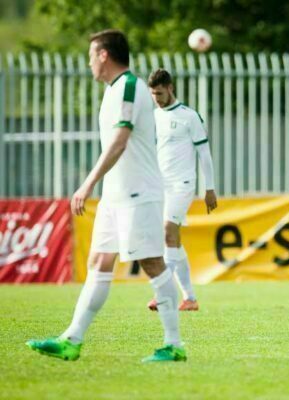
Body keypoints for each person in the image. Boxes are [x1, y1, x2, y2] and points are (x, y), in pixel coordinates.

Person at [26, 30, 186, 362]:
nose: (89, 64)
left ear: (104, 55)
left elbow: (120, 141)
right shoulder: (112, 90)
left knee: (153, 263)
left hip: (138, 192)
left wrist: (87, 183)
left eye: (91, 56)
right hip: (115, 195)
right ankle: (72, 339)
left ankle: (174, 345)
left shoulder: (129, 86)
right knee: (98, 262)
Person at [146, 68, 217, 312]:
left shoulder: (189, 116)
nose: (156, 98)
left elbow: (204, 154)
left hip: (182, 184)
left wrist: (209, 188)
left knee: (168, 231)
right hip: (160, 186)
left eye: (159, 93)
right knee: (173, 241)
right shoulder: (153, 116)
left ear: (170, 88)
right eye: (153, 94)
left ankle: (162, 293)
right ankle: (190, 299)